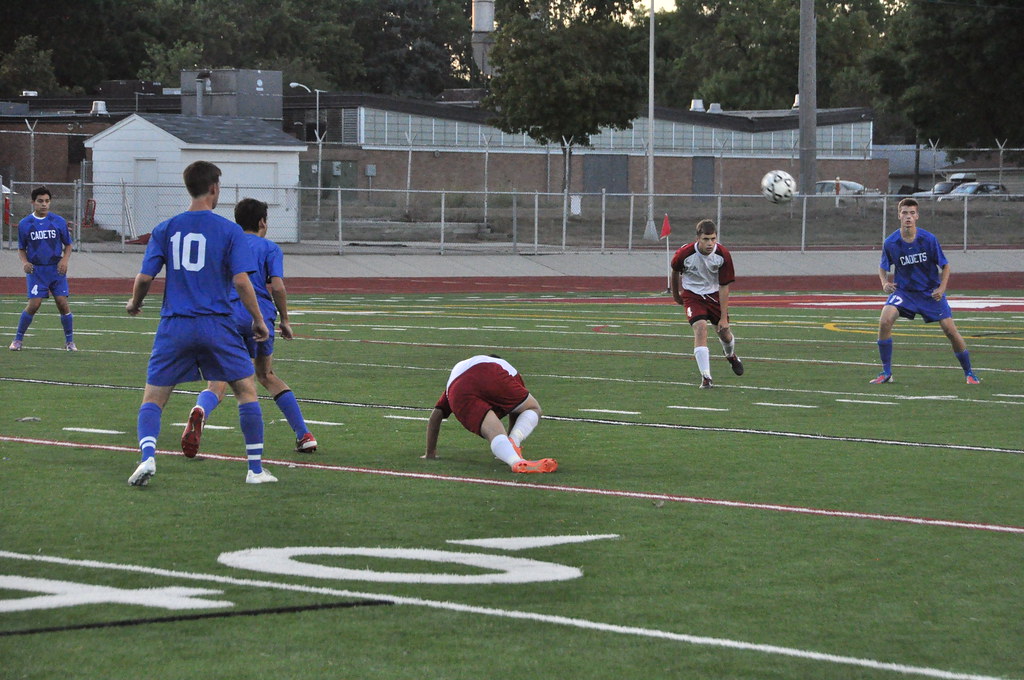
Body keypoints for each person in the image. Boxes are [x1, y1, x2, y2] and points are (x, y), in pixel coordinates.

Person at [125, 160, 277, 486]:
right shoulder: (229, 230)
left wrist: (134, 303)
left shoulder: (165, 229)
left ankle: (148, 458)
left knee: (153, 399)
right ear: (214, 188)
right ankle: (254, 469)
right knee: (246, 391)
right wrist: (258, 320)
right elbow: (240, 282)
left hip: (175, 325)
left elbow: (144, 277)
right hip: (216, 324)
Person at [181, 197, 317, 457]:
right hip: (260, 317)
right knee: (266, 375)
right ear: (263, 221)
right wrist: (286, 320)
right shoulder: (270, 248)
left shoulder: (225, 245)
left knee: (217, 383)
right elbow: (276, 286)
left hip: (227, 316)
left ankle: (201, 410)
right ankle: (304, 434)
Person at [870, 197, 980, 385]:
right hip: (905, 292)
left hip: (930, 293)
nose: (908, 217)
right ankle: (886, 372)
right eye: (905, 213)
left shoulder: (928, 239)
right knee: (885, 320)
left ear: (917, 216)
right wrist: (884, 282)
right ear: (899, 215)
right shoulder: (891, 242)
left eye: (912, 213)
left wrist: (941, 288)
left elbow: (945, 266)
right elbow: (883, 266)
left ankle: (969, 373)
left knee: (950, 331)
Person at [424, 354, 557, 474]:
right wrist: (513, 438)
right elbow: (518, 409)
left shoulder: (461, 372)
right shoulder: (504, 367)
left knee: (495, 433)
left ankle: (516, 462)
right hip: (491, 373)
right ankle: (513, 444)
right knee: (533, 408)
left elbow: (436, 415)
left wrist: (430, 453)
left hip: (458, 388)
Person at [670, 219, 744, 388]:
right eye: (706, 239)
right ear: (698, 238)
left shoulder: (723, 255)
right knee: (701, 328)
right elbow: (674, 270)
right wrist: (676, 295)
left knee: (725, 334)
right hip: (692, 296)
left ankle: (731, 356)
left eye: (713, 239)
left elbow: (724, 286)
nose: (710, 243)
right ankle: (706, 377)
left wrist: (724, 317)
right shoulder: (684, 254)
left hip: (714, 296)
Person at [9, 186, 76, 351]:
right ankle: (17, 340)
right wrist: (24, 262)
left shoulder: (58, 221)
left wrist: (65, 261)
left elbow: (68, 245)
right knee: (34, 305)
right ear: (33, 202)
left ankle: (70, 342)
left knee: (62, 303)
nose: (44, 204)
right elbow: (21, 248)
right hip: (37, 271)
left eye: (47, 201)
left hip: (56, 270)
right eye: (40, 201)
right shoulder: (25, 224)